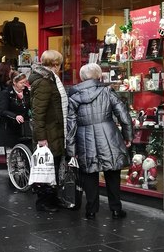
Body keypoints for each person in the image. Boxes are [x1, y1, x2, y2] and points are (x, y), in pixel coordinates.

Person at [66, 62, 133, 220]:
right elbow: (123, 115)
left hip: (84, 138)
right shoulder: (107, 91)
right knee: (112, 172)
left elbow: (71, 126)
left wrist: (72, 150)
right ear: (98, 76)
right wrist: (128, 136)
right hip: (109, 136)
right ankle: (116, 209)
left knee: (89, 174)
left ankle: (91, 210)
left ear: (82, 77)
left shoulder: (74, 96)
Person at [28, 49, 72, 212]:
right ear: (55, 64)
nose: (60, 67)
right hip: (49, 132)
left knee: (53, 165)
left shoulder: (50, 79)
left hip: (55, 130)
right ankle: (44, 201)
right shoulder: (45, 82)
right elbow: (38, 112)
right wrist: (41, 137)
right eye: (59, 63)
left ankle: (52, 198)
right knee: (47, 166)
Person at [0, 72, 32, 150]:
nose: (24, 85)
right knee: (12, 151)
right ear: (14, 82)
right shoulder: (6, 93)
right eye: (21, 83)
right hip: (10, 127)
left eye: (25, 82)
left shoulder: (27, 92)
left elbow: (30, 106)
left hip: (24, 127)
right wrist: (15, 116)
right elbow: (2, 111)